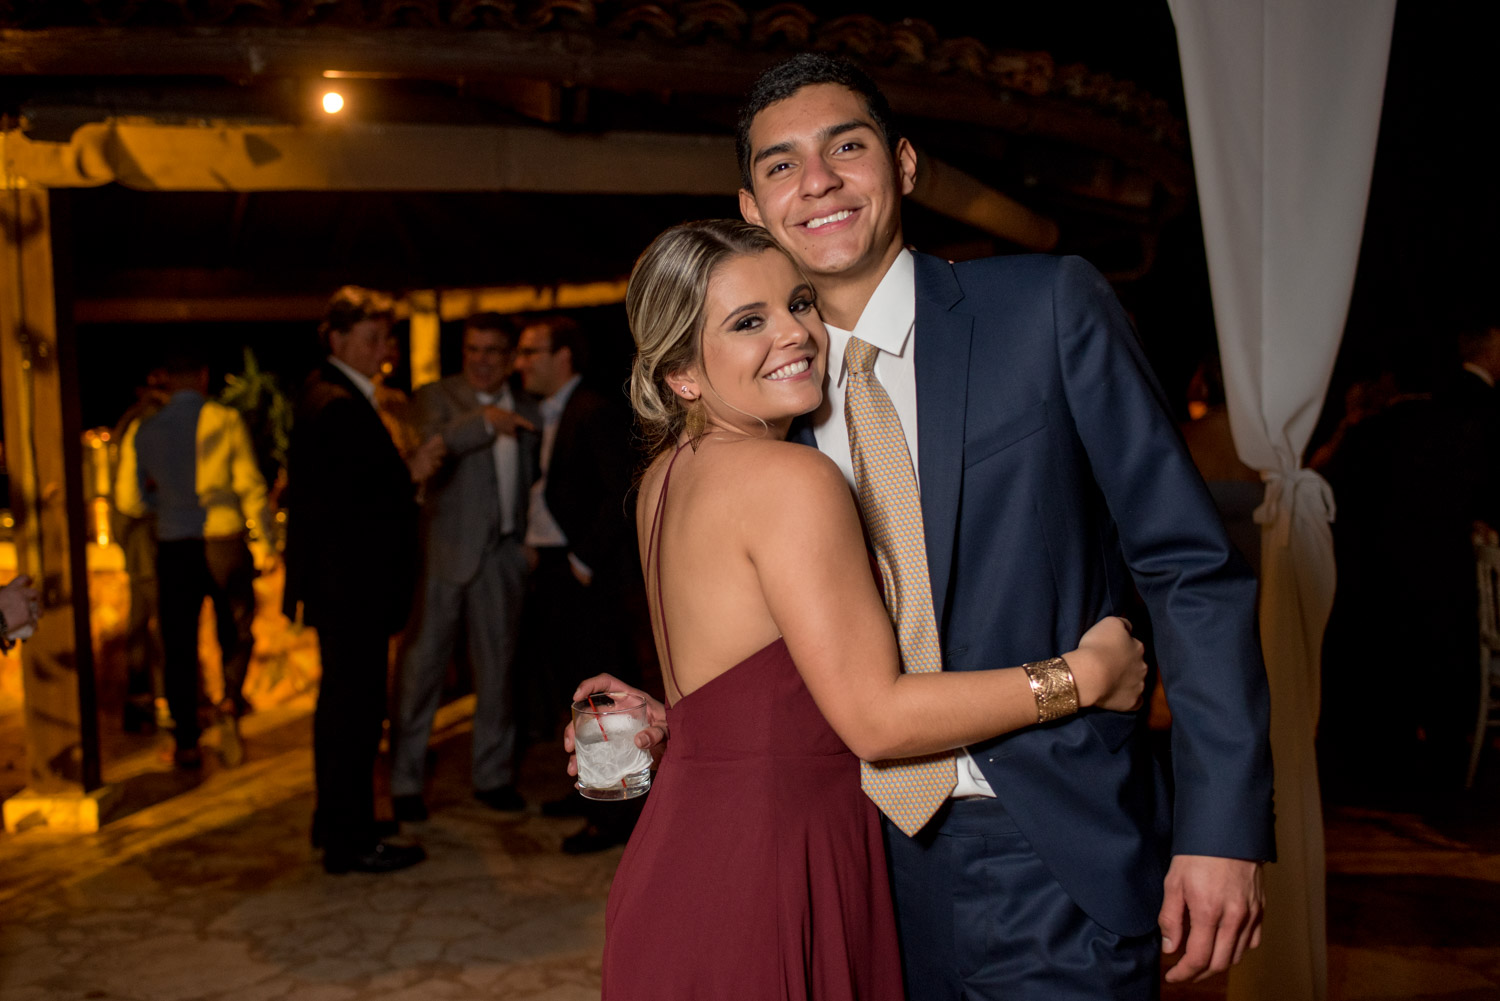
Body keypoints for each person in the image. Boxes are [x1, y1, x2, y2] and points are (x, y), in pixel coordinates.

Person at [584, 54, 1274, 998]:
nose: (817, 179)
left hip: (1051, 852)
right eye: (782, 164)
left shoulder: (1046, 308)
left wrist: (1219, 829)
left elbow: (1192, 566)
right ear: (752, 205)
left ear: (903, 165)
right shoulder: (765, 407)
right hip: (856, 862)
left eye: (847, 147)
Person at [572, 218, 1146, 998]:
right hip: (776, 870)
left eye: (799, 303)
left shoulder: (667, 478)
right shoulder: (791, 479)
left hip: (685, 858)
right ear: (681, 374)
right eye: (750, 322)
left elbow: (739, 684)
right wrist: (1082, 675)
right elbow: (875, 717)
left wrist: (673, 725)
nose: (797, 334)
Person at [283, 286, 444, 875]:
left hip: (342, 587)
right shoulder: (337, 404)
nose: (386, 347)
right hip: (351, 588)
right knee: (353, 713)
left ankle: (338, 820)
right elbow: (353, 507)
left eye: (387, 336)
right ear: (338, 338)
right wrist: (411, 473)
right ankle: (349, 840)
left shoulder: (329, 394)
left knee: (345, 710)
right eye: (373, 336)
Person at [391, 313, 539, 820]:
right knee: (420, 672)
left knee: (498, 674)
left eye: (493, 351)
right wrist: (483, 423)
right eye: (473, 349)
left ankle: (492, 776)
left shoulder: (526, 406)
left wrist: (527, 538)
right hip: (443, 555)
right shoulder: (435, 397)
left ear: (509, 357)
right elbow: (425, 446)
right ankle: (406, 782)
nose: (481, 360)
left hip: (503, 555)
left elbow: (535, 479)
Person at [512, 315, 641, 853]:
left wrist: (584, 561)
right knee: (575, 690)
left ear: (563, 356)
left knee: (603, 696)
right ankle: (592, 793)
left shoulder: (593, 411)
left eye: (529, 352)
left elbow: (621, 493)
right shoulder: (551, 412)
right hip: (557, 569)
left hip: (587, 575)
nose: (521, 364)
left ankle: (616, 818)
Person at [116, 351, 273, 769]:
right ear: (204, 376)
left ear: (167, 377)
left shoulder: (146, 429)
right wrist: (267, 542)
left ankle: (187, 737)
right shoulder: (225, 421)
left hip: (174, 543)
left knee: (179, 642)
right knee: (235, 630)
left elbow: (127, 499)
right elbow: (251, 486)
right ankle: (229, 702)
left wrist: (162, 502)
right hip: (224, 538)